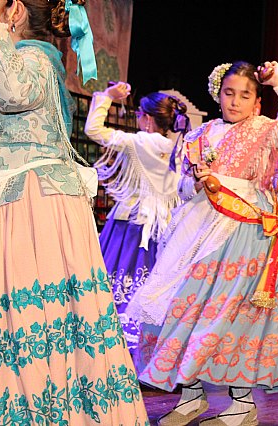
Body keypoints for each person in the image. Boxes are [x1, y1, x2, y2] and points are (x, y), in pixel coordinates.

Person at [0, 0, 149, 423]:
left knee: (27, 318)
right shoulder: (11, 61)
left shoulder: (38, 56)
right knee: (0, 322)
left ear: (13, 9)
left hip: (28, 207)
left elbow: (14, 95)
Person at [127, 60, 278, 425]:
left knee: (232, 313)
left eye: (245, 95)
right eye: (229, 93)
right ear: (219, 94)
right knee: (184, 306)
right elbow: (182, 187)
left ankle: (243, 404)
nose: (235, 101)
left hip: (245, 232)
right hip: (200, 228)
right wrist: (195, 183)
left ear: (257, 101)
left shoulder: (266, 130)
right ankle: (191, 396)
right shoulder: (201, 134)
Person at [84, 82, 188, 353]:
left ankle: (114, 348)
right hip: (164, 227)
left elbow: (93, 130)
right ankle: (150, 349)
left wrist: (107, 97)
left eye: (141, 115)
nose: (139, 120)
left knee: (121, 279)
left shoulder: (144, 142)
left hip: (134, 223)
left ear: (149, 119)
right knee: (154, 285)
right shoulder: (178, 146)